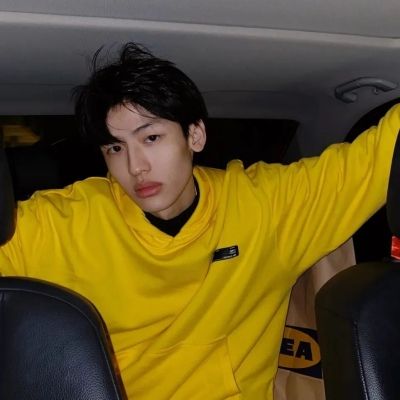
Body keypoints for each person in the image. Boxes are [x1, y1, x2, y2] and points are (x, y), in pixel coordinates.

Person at [0, 42, 399, 400]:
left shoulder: (263, 206)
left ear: (195, 136)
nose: (136, 166)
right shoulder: (66, 224)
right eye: (115, 148)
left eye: (151, 138)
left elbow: (376, 157)